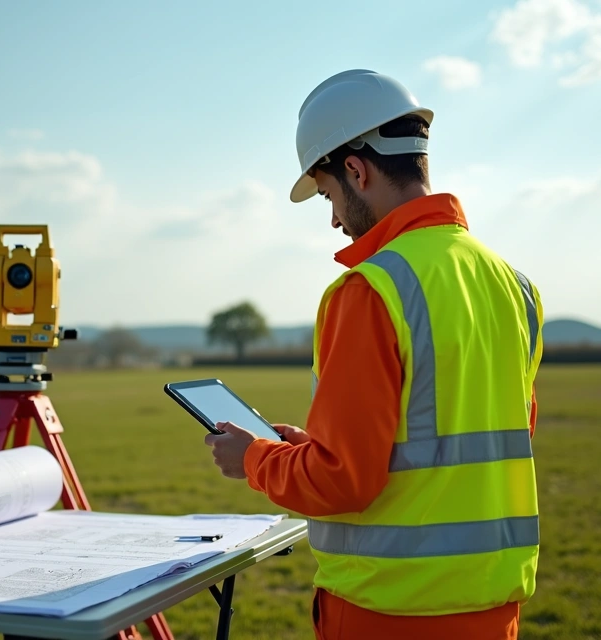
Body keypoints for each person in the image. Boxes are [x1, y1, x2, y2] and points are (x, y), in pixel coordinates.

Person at [204, 69, 544, 640]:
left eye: (330, 195)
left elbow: (344, 483)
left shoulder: (370, 290)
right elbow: (474, 439)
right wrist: (313, 449)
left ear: (356, 171)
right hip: (493, 609)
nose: (335, 219)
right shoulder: (513, 283)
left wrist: (255, 459)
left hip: (389, 611)